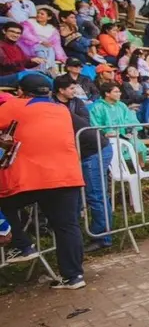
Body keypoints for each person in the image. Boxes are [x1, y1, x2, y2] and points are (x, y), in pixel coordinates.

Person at [0, 73, 87, 288]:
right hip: (67, 176)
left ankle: (22, 245)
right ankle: (74, 277)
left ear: (21, 92)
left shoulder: (16, 106)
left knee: (4, 203)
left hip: (33, 178)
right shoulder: (62, 109)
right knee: (67, 226)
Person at [52, 74, 113, 251]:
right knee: (84, 194)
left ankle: (102, 236)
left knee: (96, 194)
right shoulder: (52, 105)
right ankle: (86, 233)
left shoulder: (77, 104)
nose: (75, 91)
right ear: (61, 90)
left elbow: (83, 125)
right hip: (76, 154)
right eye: (71, 88)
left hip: (94, 150)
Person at [89, 82, 149, 166]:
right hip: (106, 138)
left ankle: (140, 168)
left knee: (139, 146)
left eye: (119, 92)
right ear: (107, 94)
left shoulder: (121, 105)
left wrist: (130, 131)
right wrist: (104, 134)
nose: (119, 94)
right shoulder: (97, 107)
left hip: (124, 135)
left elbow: (130, 120)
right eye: (116, 92)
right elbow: (94, 124)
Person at [17, 5, 64, 75]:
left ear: (49, 17)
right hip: (29, 45)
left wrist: (61, 58)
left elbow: (57, 45)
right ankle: (46, 70)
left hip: (45, 48)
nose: (39, 15)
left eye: (42, 14)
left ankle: (46, 69)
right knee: (42, 49)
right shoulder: (29, 22)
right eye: (38, 13)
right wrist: (40, 41)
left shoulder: (52, 29)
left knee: (51, 49)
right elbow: (25, 34)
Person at [0, 22, 43, 87]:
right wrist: (30, 60)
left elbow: (26, 64)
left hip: (18, 76)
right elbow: (6, 64)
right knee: (28, 75)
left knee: (40, 75)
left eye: (18, 33)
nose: (15, 35)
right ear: (4, 31)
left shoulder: (17, 47)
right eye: (12, 31)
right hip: (3, 77)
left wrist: (37, 61)